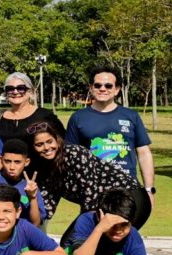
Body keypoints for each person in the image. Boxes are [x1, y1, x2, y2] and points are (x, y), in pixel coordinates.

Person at [29, 121, 150, 224]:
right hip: (102, 207)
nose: (46, 148)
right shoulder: (43, 170)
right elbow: (47, 208)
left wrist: (84, 230)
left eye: (49, 141)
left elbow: (90, 194)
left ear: (57, 139)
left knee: (86, 244)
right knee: (69, 244)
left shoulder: (75, 154)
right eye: (39, 144)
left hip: (128, 197)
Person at [65, 64, 156, 200]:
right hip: (94, 190)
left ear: (117, 90)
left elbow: (143, 153)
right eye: (97, 85)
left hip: (127, 189)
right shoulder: (78, 117)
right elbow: (70, 157)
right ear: (91, 88)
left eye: (108, 86)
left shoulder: (131, 116)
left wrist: (149, 190)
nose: (103, 89)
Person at [0, 139, 45, 226]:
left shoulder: (30, 187)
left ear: (26, 162)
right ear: (1, 160)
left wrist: (32, 198)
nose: (12, 167)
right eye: (8, 161)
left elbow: (35, 223)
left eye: (17, 162)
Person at [0, 72, 64, 146]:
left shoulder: (45, 116)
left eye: (21, 88)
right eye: (10, 89)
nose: (15, 92)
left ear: (30, 92)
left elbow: (62, 141)